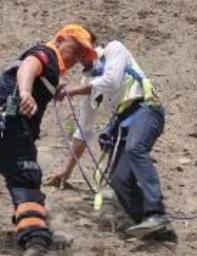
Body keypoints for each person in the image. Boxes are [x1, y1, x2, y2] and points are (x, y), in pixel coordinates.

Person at [0, 24, 97, 256]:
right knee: (27, 179)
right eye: (76, 49)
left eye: (82, 54)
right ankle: (36, 242)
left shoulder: (51, 70)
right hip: (6, 124)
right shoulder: (46, 54)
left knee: (25, 177)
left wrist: (53, 88)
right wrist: (26, 92)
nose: (77, 58)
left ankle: (37, 226)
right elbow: (29, 65)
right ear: (60, 40)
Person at [45, 40, 175, 241]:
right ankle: (153, 228)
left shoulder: (114, 49)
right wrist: (67, 170)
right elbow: (84, 129)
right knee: (118, 178)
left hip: (145, 109)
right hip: (122, 123)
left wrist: (73, 90)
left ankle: (156, 213)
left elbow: (112, 81)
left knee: (135, 148)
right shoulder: (88, 81)